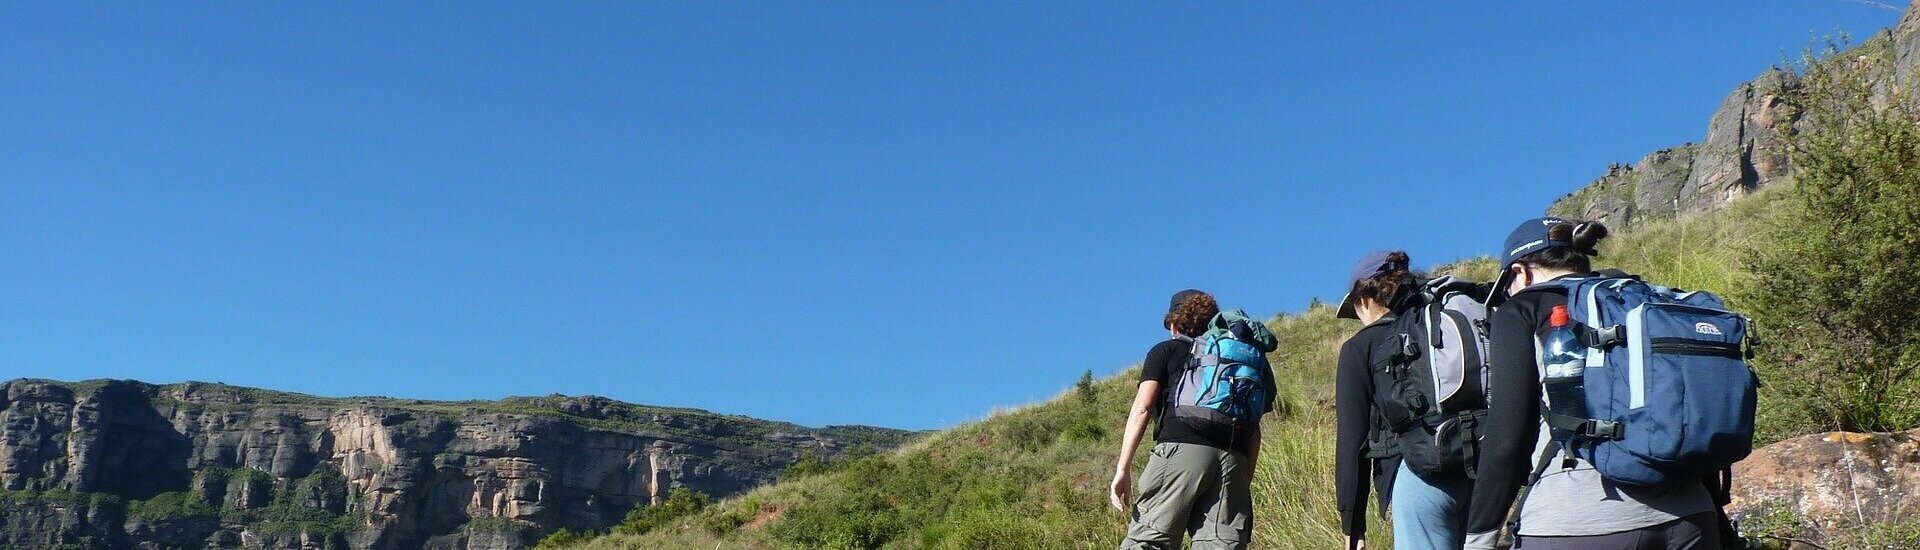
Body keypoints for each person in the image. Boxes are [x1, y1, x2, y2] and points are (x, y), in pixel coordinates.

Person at [1463, 218, 1722, 549]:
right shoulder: (1644, 300)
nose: (1506, 296)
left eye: (1505, 288)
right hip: (1691, 515)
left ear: (1520, 273)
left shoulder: (1521, 308)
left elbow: (1507, 438)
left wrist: (1479, 537)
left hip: (1577, 519)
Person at [1333, 251, 1475, 550]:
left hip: (1416, 475)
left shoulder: (1359, 348)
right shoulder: (1435, 326)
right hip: (1474, 470)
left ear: (1364, 299)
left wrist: (1352, 526)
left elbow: (1351, 442)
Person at [1110, 289, 1265, 550]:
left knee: (1149, 541)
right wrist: (1241, 484)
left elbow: (1143, 407)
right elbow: (1255, 431)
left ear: (1175, 323)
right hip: (1233, 457)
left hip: (1181, 452)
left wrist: (1122, 469)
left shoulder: (1166, 350)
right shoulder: (1239, 358)